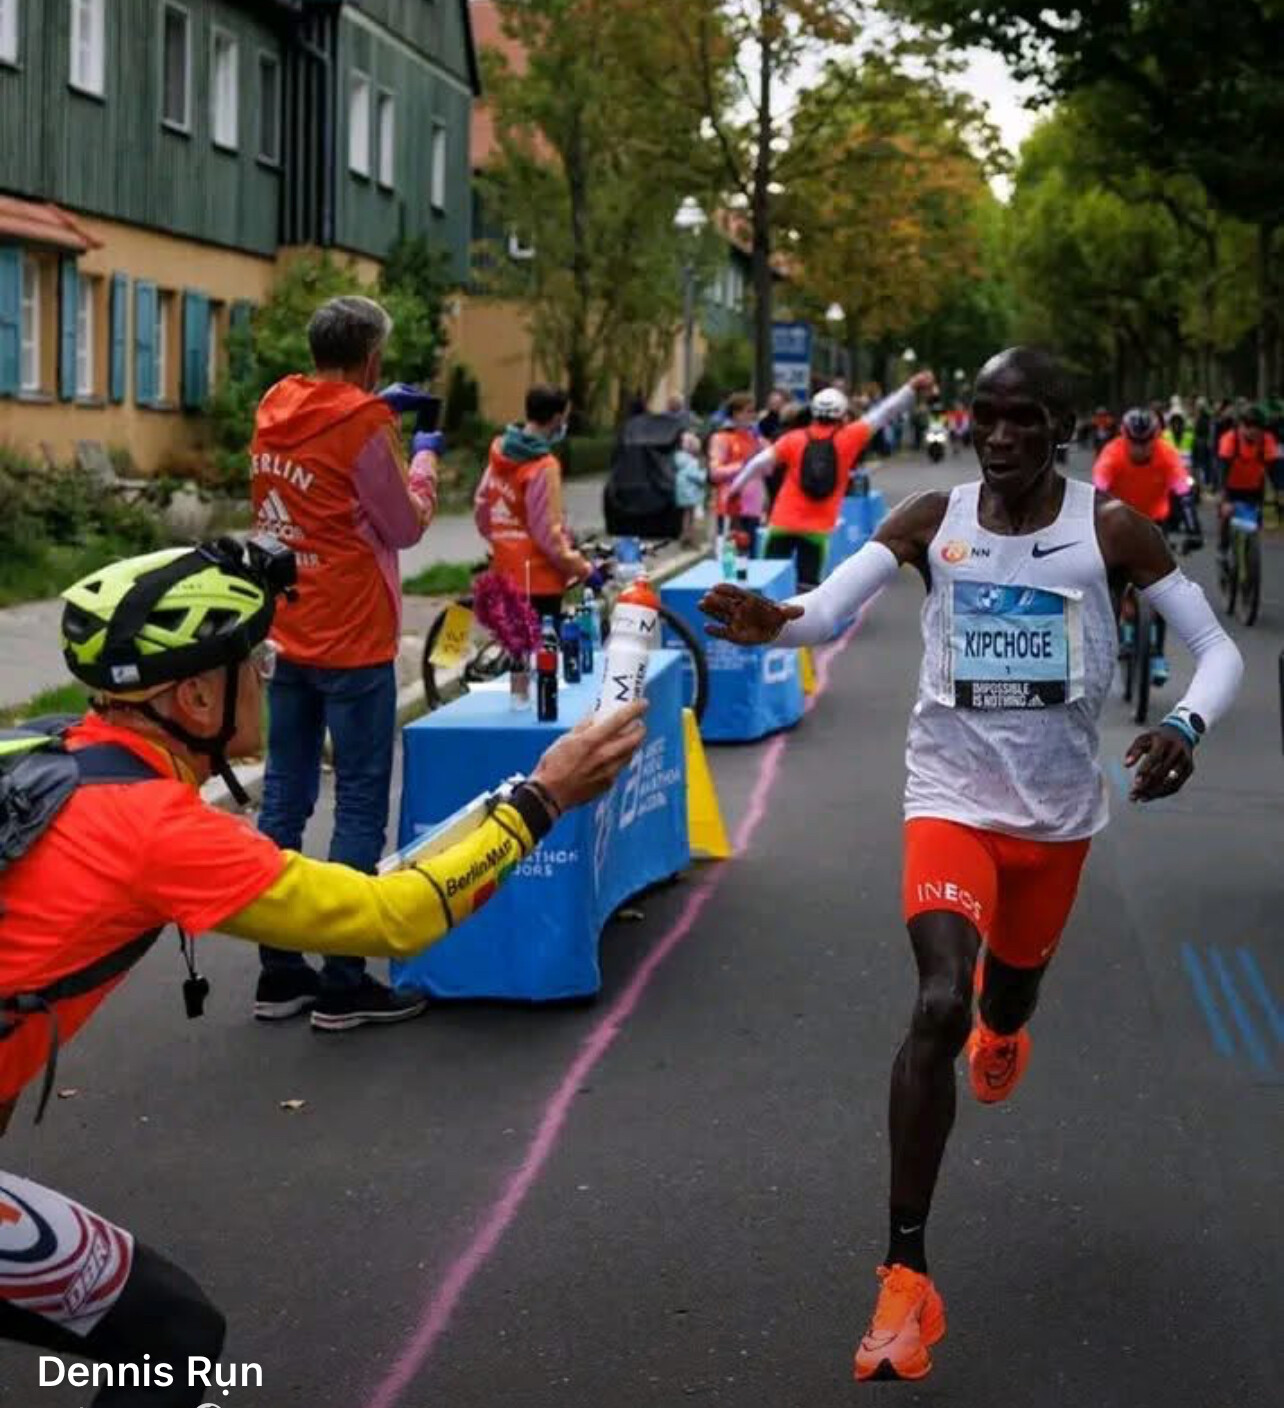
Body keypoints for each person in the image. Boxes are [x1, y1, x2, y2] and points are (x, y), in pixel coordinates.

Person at [699, 346, 1243, 1383]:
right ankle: (905, 1275)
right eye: (985, 416)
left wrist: (1185, 724)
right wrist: (778, 621)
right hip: (948, 798)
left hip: (1056, 822)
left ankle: (1006, 1023)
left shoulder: (1111, 530)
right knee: (938, 1002)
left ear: (1062, 427)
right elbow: (827, 608)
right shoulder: (930, 520)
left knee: (1004, 997)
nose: (998, 436)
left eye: (1022, 418)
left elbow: (1218, 649)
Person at [0, 539, 646, 1407]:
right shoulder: (157, 831)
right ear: (196, 697)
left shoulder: (42, 752)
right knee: (173, 1341)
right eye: (257, 664)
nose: (269, 680)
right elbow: (393, 919)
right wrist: (545, 799)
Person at [250, 295, 441, 1031]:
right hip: (354, 636)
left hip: (285, 625)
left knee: (283, 799)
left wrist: (373, 405)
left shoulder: (275, 405)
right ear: (373, 358)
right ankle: (343, 980)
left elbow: (318, 460)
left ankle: (279, 971)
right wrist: (423, 455)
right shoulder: (364, 424)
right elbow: (406, 523)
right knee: (359, 800)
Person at [730, 374, 936, 588]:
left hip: (783, 521)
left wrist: (735, 490)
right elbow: (884, 413)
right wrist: (910, 387)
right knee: (807, 586)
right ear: (842, 413)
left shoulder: (794, 439)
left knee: (768, 579)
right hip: (818, 527)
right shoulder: (849, 437)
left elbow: (757, 463)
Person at [1092, 407, 1198, 685]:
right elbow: (1097, 490)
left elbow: (1184, 492)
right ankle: (1120, 629)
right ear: (1124, 436)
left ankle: (1158, 654)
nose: (1140, 448)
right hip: (1120, 524)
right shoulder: (1112, 453)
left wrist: (1194, 528)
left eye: (1146, 442)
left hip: (1155, 524)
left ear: (1156, 437)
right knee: (1110, 580)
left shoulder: (1167, 454)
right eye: (1134, 442)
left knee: (1163, 591)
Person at [474, 384, 594, 620]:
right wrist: (581, 567)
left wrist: (502, 541)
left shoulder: (500, 454)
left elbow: (482, 508)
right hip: (539, 582)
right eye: (565, 418)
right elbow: (548, 533)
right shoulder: (543, 466)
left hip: (504, 572)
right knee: (542, 642)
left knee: (513, 640)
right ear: (557, 419)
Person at [1217, 403, 1281, 553]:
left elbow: (1274, 471)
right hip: (1231, 487)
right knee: (1226, 514)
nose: (1253, 431)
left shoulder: (1267, 440)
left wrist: (1278, 494)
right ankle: (1223, 549)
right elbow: (1222, 470)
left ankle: (1252, 550)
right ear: (1241, 425)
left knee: (1255, 521)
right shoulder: (1230, 439)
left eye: (1257, 427)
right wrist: (1224, 499)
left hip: (1254, 488)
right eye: (1248, 426)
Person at [707, 392, 766, 539]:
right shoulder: (722, 438)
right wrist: (743, 465)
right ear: (736, 414)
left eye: (754, 411)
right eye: (748, 411)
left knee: (752, 551)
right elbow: (715, 472)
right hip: (731, 506)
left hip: (754, 506)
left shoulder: (757, 439)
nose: (753, 416)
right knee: (730, 550)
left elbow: (766, 471)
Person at [674, 430, 709, 548]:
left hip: (683, 492)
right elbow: (698, 476)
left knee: (686, 515)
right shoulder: (691, 461)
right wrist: (704, 473)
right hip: (691, 492)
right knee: (692, 516)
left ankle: (685, 535)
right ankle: (690, 538)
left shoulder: (679, 458)